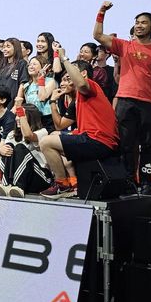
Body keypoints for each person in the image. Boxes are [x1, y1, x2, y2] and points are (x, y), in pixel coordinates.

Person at [93, 1, 151, 192]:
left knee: (149, 145)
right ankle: (127, 180)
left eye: (143, 22)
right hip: (125, 100)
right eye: (137, 22)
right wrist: (102, 12)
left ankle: (146, 182)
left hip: (150, 103)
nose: (139, 25)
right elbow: (97, 35)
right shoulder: (124, 46)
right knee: (124, 144)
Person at [39, 50, 119, 199]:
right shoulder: (77, 101)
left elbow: (81, 83)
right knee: (55, 136)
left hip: (100, 141)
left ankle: (62, 185)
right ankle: (73, 183)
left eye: (69, 77)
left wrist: (63, 58)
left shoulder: (92, 86)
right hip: (91, 138)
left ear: (83, 74)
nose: (66, 81)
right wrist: (53, 101)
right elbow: (60, 126)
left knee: (46, 142)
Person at [0, 104, 51, 198]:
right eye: (17, 115)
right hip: (18, 181)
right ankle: (7, 185)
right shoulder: (12, 134)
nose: (17, 118)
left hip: (41, 177)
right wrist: (0, 151)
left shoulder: (42, 132)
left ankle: (18, 186)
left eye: (21, 115)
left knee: (20, 147)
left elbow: (28, 135)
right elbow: (0, 156)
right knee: (8, 147)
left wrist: (19, 108)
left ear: (31, 118)